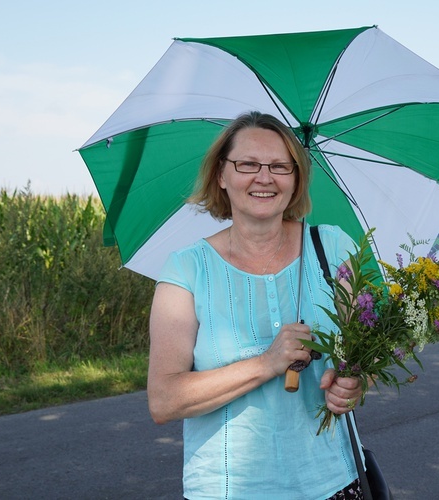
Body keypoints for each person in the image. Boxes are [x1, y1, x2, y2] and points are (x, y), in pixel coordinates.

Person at [147, 111, 366, 499]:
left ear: (296, 179)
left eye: (281, 166)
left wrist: (353, 384)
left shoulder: (333, 249)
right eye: (247, 164)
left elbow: (359, 357)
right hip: (227, 489)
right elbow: (163, 401)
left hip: (331, 481)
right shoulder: (186, 270)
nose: (264, 177)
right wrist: (267, 363)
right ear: (221, 175)